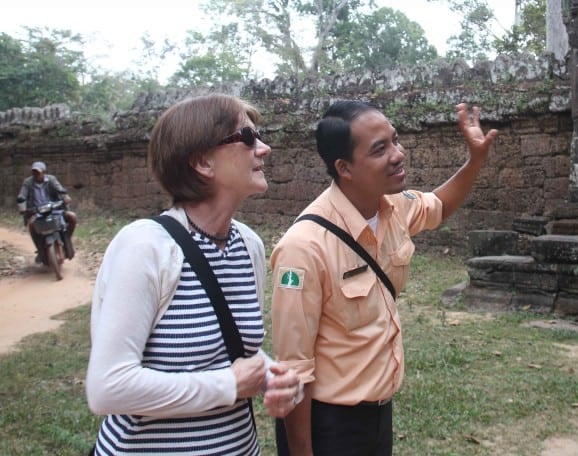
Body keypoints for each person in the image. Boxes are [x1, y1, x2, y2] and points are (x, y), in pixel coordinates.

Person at [270, 100, 498, 455]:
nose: (397, 154)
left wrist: (475, 159)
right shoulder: (303, 248)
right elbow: (293, 370)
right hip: (328, 427)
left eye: (395, 140)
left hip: (377, 417)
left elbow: (437, 206)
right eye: (380, 149)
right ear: (344, 168)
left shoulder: (393, 207)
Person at [86, 94, 303, 455]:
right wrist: (228, 384)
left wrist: (272, 376)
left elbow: (228, 351)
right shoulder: (146, 247)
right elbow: (108, 387)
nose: (263, 148)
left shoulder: (247, 245)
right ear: (202, 161)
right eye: (247, 138)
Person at [16, 161, 78, 261]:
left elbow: (60, 189)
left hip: (55, 209)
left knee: (72, 216)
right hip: (37, 212)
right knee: (32, 225)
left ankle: (66, 238)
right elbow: (22, 196)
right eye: (34, 172)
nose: (36, 175)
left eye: (38, 172)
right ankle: (40, 249)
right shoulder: (28, 182)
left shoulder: (51, 179)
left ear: (44, 172)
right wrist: (22, 207)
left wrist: (65, 197)